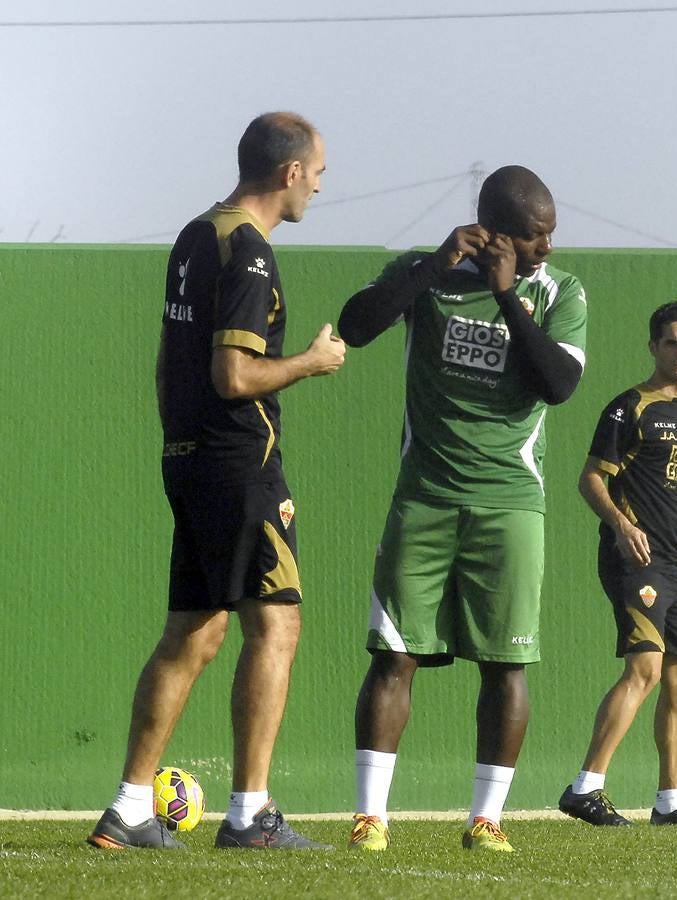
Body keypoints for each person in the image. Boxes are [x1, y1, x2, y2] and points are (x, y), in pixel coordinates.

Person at [88, 112, 346, 851]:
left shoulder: (196, 233)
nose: (321, 185)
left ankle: (131, 810)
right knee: (277, 623)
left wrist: (178, 444)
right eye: (319, 171)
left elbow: (169, 362)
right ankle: (251, 814)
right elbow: (233, 374)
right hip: (242, 461)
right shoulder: (251, 251)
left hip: (191, 457)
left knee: (194, 633)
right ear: (290, 172)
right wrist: (309, 362)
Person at [338, 166, 588, 852]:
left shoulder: (559, 291)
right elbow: (356, 327)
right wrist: (427, 267)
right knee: (394, 655)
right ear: (498, 230)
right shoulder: (427, 275)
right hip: (424, 497)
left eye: (550, 235)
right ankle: (369, 817)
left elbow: (559, 384)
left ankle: (486, 819)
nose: (547, 247)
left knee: (507, 666)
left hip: (510, 504)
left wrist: (509, 295)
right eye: (536, 235)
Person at [558, 301, 677, 827]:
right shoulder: (627, 407)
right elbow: (591, 478)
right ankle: (585, 788)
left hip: (675, 564)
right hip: (635, 559)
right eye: (672, 342)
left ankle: (670, 803)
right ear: (653, 346)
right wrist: (621, 524)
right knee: (646, 669)